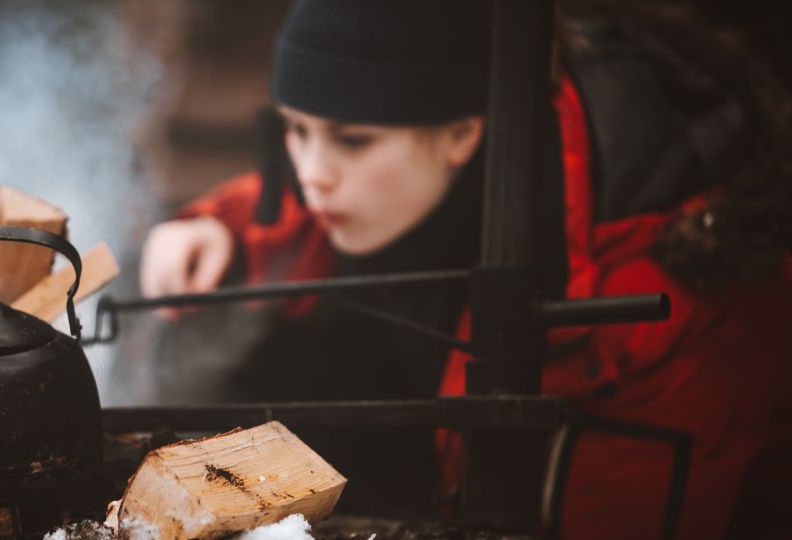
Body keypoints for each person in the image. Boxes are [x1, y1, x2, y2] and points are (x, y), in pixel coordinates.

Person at [139, 1, 792, 538]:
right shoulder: (404, 173)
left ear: (461, 133)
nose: (312, 174)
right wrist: (219, 227)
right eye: (294, 130)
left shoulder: (670, 300)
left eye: (351, 140)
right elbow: (302, 197)